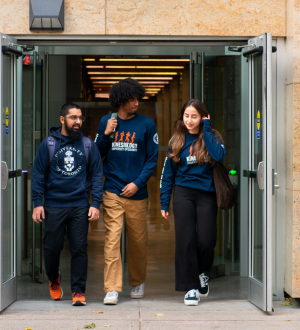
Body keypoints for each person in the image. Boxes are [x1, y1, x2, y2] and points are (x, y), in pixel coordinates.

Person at [32, 103, 103, 306]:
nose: (78, 122)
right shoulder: (48, 145)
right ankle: (54, 279)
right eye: (73, 118)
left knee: (79, 248)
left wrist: (95, 203)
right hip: (54, 205)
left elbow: (97, 175)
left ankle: (78, 291)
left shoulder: (89, 145)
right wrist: (38, 203)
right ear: (62, 119)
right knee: (52, 248)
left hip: (80, 205)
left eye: (80, 118)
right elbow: (38, 175)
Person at [95, 78, 159, 305]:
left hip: (137, 193)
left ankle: (137, 281)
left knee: (138, 241)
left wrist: (138, 183)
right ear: (121, 100)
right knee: (112, 240)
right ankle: (112, 288)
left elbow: (153, 158)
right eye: (132, 100)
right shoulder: (107, 121)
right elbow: (96, 154)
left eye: (137, 99)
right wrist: (105, 133)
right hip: (112, 190)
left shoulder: (147, 124)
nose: (136, 104)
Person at [160, 99, 226, 306]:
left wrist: (206, 128)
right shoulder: (176, 140)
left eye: (194, 116)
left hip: (207, 193)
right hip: (183, 194)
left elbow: (218, 155)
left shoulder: (213, 136)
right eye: (186, 116)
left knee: (206, 240)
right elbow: (168, 174)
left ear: (203, 117)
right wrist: (164, 202)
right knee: (185, 240)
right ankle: (190, 288)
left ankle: (200, 272)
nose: (189, 120)